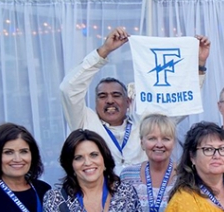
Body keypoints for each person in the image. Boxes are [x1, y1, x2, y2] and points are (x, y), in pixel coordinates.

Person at [60, 26, 210, 170]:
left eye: (116, 95)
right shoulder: (84, 121)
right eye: (102, 96)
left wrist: (200, 65)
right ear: (95, 102)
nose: (110, 100)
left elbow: (179, 104)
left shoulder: (144, 122)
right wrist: (104, 50)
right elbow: (68, 89)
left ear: (128, 101)